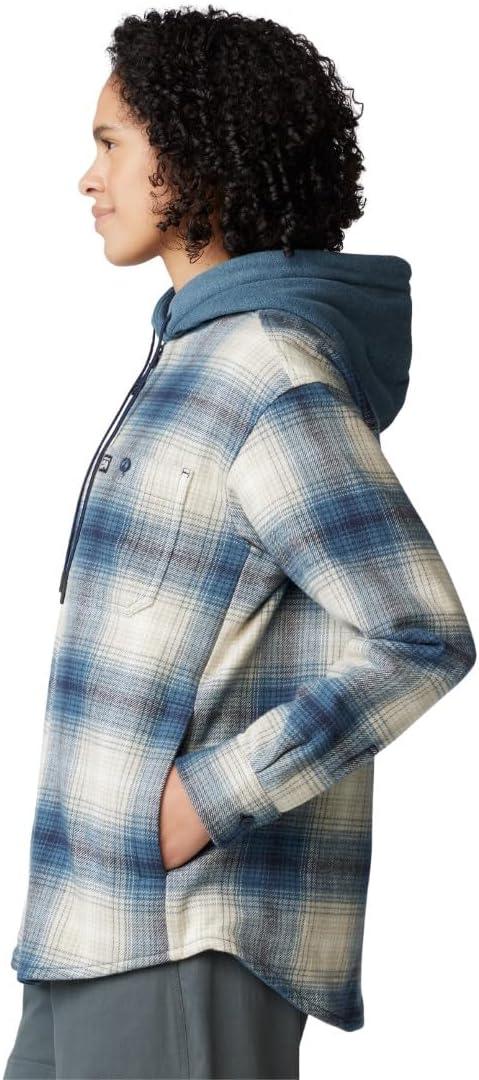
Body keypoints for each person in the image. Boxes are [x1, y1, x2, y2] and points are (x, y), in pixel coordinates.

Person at [3, 6, 476, 1079]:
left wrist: (207, 802)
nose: (88, 179)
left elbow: (421, 635)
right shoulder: (192, 358)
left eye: (111, 143)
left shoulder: (267, 372)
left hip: (184, 934)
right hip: (91, 927)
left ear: (196, 160)